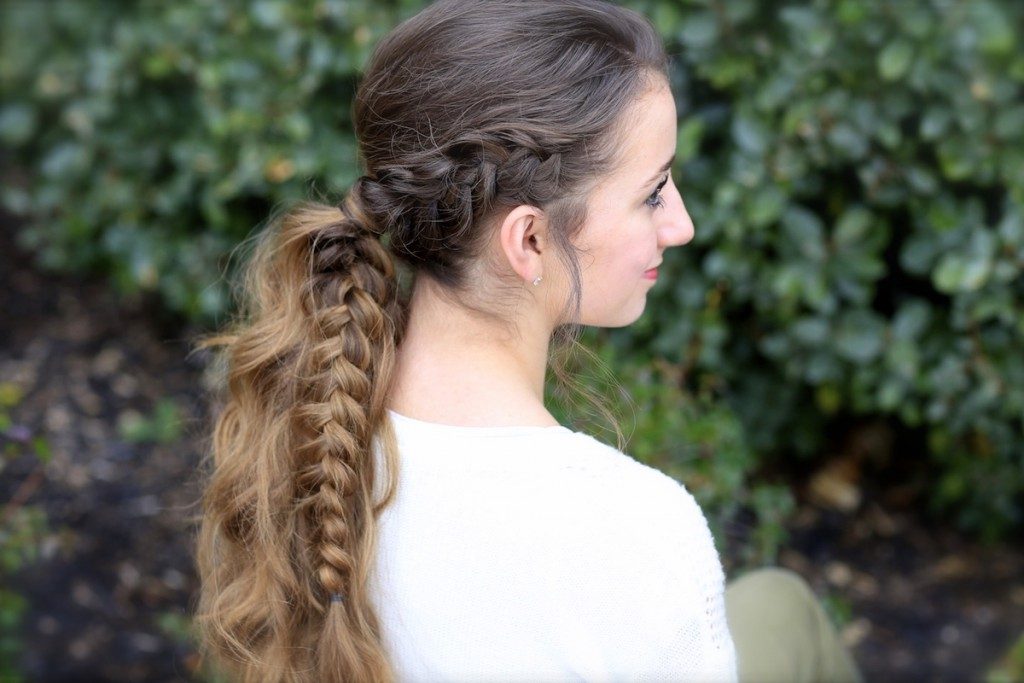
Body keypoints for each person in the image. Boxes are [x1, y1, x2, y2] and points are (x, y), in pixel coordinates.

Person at [195, 1, 862, 681]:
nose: (682, 224)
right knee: (784, 606)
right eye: (653, 192)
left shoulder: (302, 432)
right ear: (531, 239)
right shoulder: (637, 534)